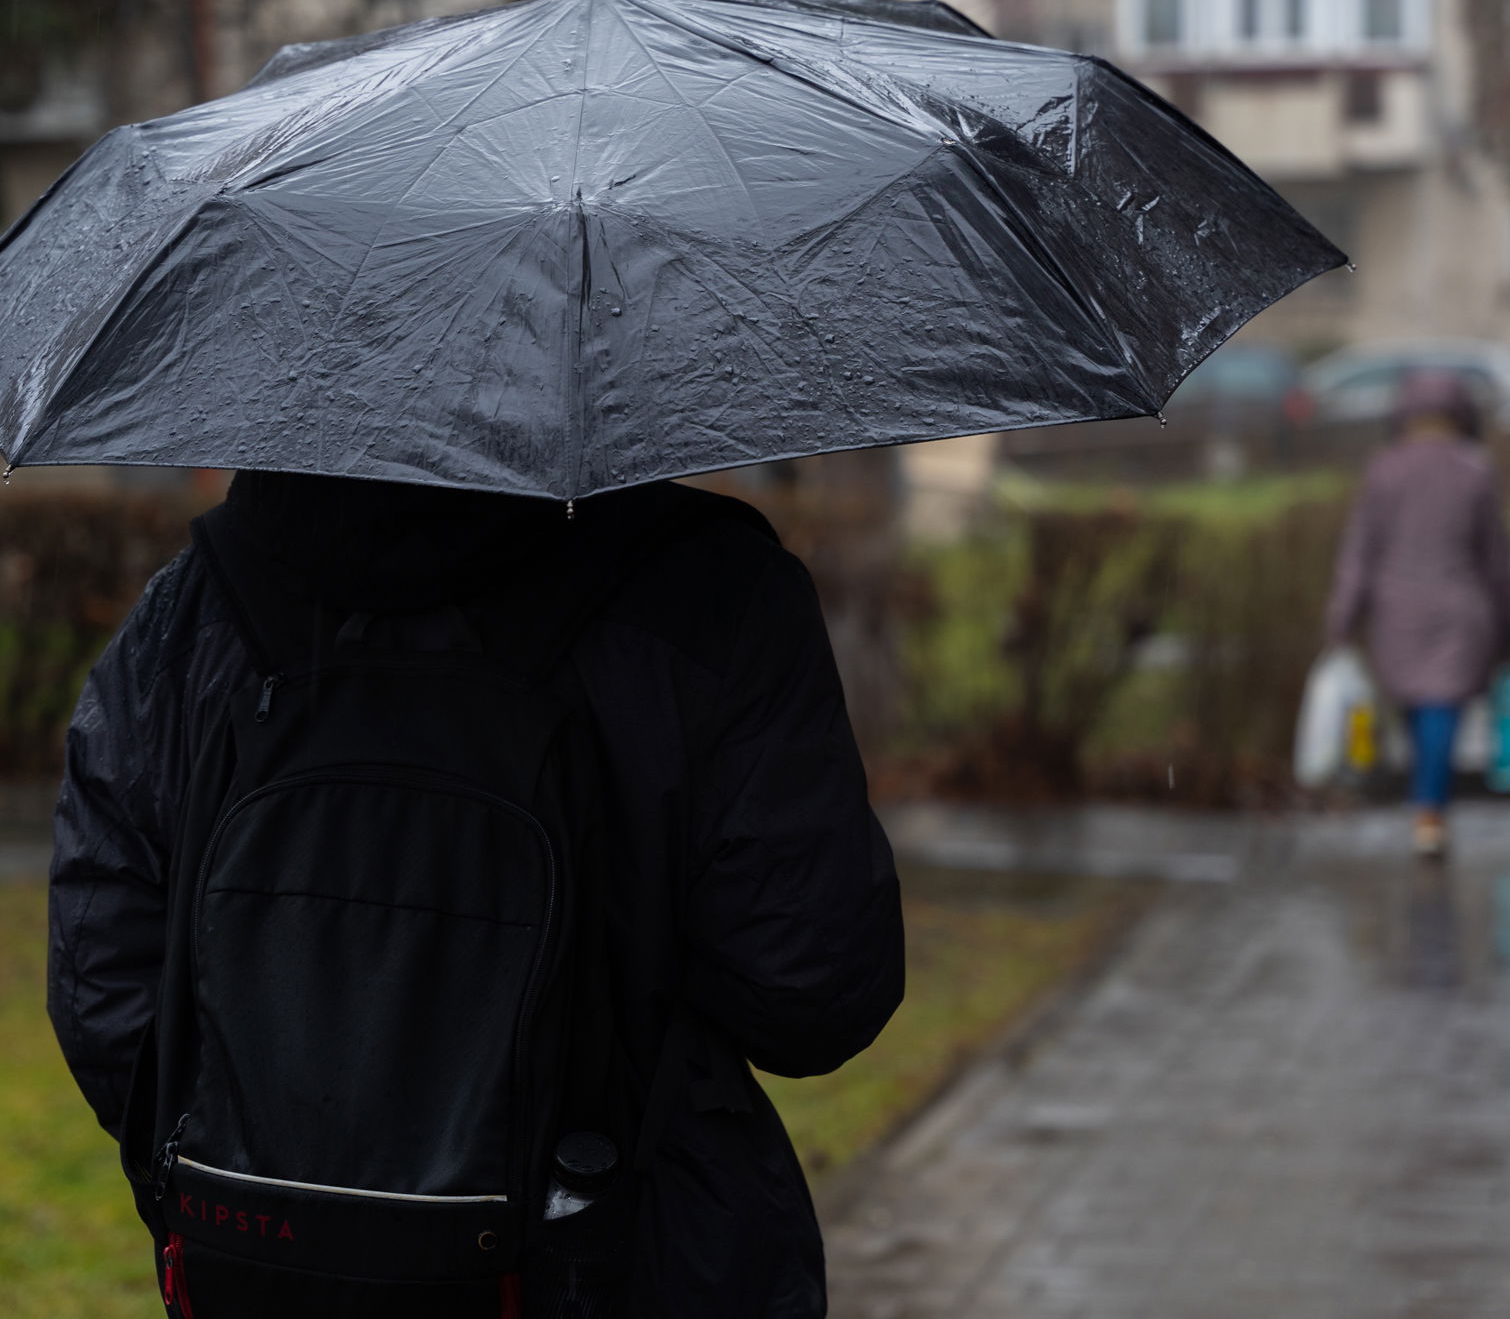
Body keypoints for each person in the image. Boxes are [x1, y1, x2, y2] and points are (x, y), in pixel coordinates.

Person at [47, 472, 905, 1318]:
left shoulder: (196, 606)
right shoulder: (715, 595)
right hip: (632, 1255)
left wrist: (254, 1155)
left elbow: (99, 970)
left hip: (269, 1264)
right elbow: (813, 987)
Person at [1324, 371, 1510, 857]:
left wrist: (1342, 619)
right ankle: (1431, 809)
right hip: (1460, 609)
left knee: (1420, 705)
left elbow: (1360, 553)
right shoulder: (1476, 469)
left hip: (1397, 612)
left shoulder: (1383, 470)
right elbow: (1497, 559)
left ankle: (1428, 806)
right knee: (1441, 707)